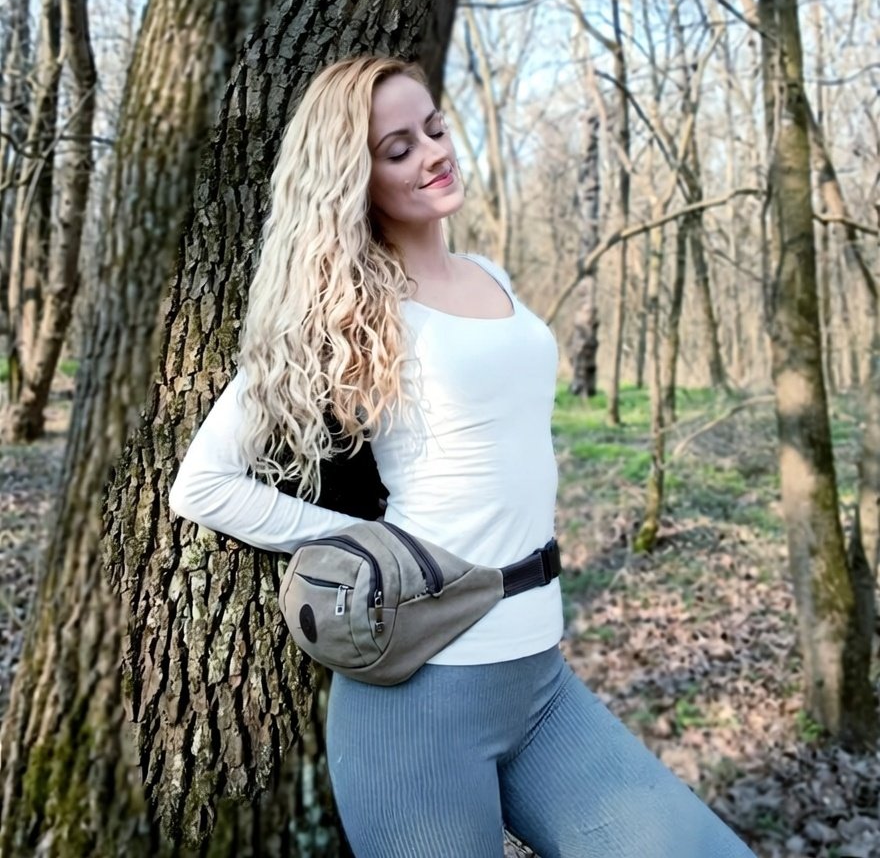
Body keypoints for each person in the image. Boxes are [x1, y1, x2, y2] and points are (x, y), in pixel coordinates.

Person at [170, 55, 756, 858]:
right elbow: (204, 484)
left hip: (540, 681)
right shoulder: (351, 303)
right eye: (398, 147)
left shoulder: (492, 275)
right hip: (420, 698)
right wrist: (365, 548)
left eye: (436, 129)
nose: (434, 152)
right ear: (355, 176)